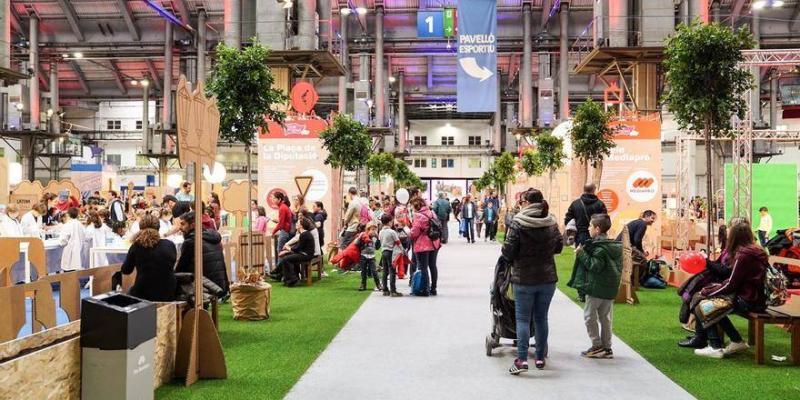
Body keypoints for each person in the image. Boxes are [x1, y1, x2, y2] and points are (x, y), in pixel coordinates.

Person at [501, 189, 563, 374]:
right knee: (541, 318)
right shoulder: (550, 221)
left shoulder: (518, 223)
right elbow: (559, 247)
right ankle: (539, 358)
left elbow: (508, 251)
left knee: (522, 319)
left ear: (526, 202)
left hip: (524, 279)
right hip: (547, 278)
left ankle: (521, 360)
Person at [688, 220, 767, 358]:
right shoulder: (758, 251)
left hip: (747, 299)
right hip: (756, 298)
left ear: (735, 236)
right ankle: (736, 340)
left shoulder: (743, 255)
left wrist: (709, 292)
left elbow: (731, 283)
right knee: (707, 302)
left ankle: (715, 347)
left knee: (704, 304)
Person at [567, 214, 622, 359]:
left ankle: (597, 345)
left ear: (597, 229)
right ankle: (607, 347)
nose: (589, 229)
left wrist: (581, 254)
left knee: (589, 317)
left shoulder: (599, 248)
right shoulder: (615, 246)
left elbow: (594, 266)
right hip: (610, 288)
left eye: (591, 226)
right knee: (605, 318)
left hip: (596, 287)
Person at [121, 214, 177, 301]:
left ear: (140, 228)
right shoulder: (169, 245)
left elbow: (126, 270)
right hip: (168, 293)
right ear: (158, 227)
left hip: (143, 293)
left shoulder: (136, 246)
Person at [175, 212, 229, 296]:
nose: (180, 228)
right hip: (221, 284)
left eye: (183, 224)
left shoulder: (191, 242)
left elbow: (181, 268)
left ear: (192, 225)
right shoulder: (212, 236)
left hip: (208, 285)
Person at [409, 197, 441, 296]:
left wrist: (408, 231)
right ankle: (434, 288)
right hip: (434, 241)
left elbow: (415, 232)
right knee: (433, 265)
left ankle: (425, 289)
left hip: (423, 244)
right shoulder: (431, 212)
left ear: (416, 206)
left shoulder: (417, 215)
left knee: (423, 267)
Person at [270, 218, 316, 286]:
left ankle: (292, 280)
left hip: (306, 255)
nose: (296, 224)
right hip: (304, 254)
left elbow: (298, 249)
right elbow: (298, 248)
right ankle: (280, 275)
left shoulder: (304, 234)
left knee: (287, 259)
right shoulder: (304, 234)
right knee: (287, 257)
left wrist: (288, 249)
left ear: (301, 226)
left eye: (298, 223)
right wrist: (287, 251)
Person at [379, 214, 403, 297]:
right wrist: (402, 250)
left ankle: (385, 289)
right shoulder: (392, 232)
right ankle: (393, 290)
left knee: (385, 271)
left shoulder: (381, 232)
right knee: (392, 271)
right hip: (390, 252)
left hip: (383, 252)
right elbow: (398, 242)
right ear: (390, 222)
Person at [57, 207, 86, 272]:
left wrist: (61, 243)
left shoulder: (68, 224)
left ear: (68, 214)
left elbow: (63, 239)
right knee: (74, 269)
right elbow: (84, 235)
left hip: (70, 250)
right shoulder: (80, 224)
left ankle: (69, 281)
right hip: (78, 249)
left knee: (68, 269)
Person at [357, 222, 382, 292]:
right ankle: (363, 284)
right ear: (368, 229)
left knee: (374, 271)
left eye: (375, 230)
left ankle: (378, 284)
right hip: (363, 256)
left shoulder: (375, 238)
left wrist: (378, 239)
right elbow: (358, 245)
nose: (374, 231)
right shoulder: (363, 236)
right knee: (363, 271)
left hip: (372, 256)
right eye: (372, 229)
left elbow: (377, 247)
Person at [272, 192, 293, 257]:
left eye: (274, 198)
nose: (273, 200)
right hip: (286, 231)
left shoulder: (282, 208)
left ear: (279, 199)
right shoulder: (284, 207)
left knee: (280, 252)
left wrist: (273, 232)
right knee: (284, 253)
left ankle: (280, 267)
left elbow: (281, 224)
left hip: (284, 232)